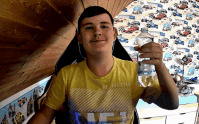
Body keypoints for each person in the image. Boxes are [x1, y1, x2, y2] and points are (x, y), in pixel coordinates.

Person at [27, 6, 179, 124]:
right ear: (79, 37)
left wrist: (160, 66)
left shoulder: (135, 71)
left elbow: (171, 104)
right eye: (88, 27)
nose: (97, 32)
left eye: (104, 26)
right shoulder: (66, 74)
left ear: (114, 34)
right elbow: (45, 114)